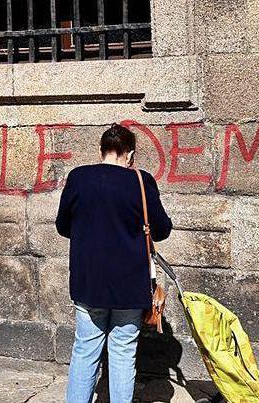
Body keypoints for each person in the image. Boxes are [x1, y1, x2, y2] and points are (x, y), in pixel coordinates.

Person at [56, 123, 173, 403]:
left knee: (85, 350)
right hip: (129, 284)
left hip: (89, 281)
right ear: (130, 154)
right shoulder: (141, 182)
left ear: (101, 150)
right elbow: (162, 230)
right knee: (123, 351)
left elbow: (63, 225)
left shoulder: (78, 178)